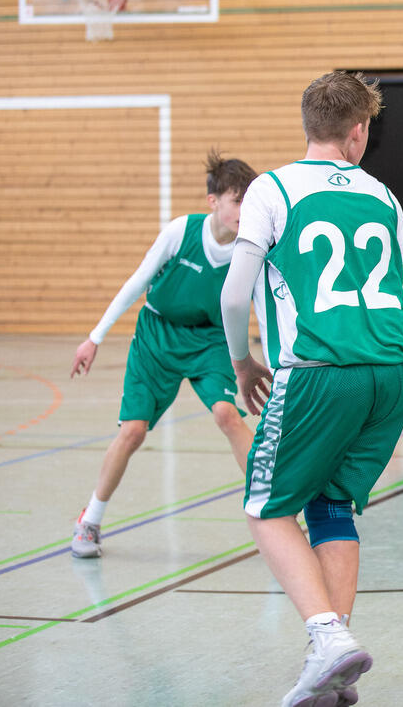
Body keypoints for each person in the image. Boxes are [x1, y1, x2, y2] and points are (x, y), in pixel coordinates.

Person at [220, 71, 403, 707]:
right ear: (358, 132)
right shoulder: (383, 195)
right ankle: (332, 667)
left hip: (318, 371)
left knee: (265, 507)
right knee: (332, 507)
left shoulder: (272, 188)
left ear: (308, 124)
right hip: (391, 374)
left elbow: (233, 294)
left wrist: (244, 363)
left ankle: (328, 637)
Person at [68, 151, 257, 559]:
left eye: (250, 201)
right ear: (213, 202)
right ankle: (90, 520)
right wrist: (94, 338)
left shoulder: (251, 249)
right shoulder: (181, 232)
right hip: (157, 335)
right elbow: (137, 282)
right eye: (237, 200)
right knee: (133, 431)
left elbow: (264, 307)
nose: (245, 211)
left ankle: (272, 508)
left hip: (209, 339)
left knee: (228, 415)